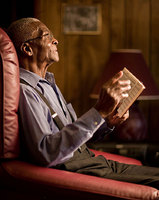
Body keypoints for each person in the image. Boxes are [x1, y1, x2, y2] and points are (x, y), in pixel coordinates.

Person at [7, 18, 159, 189]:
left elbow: (74, 139)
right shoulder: (25, 92)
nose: (55, 40)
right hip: (80, 172)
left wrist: (107, 122)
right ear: (27, 48)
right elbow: (46, 153)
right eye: (47, 36)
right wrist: (99, 111)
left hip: (96, 163)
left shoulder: (49, 84)